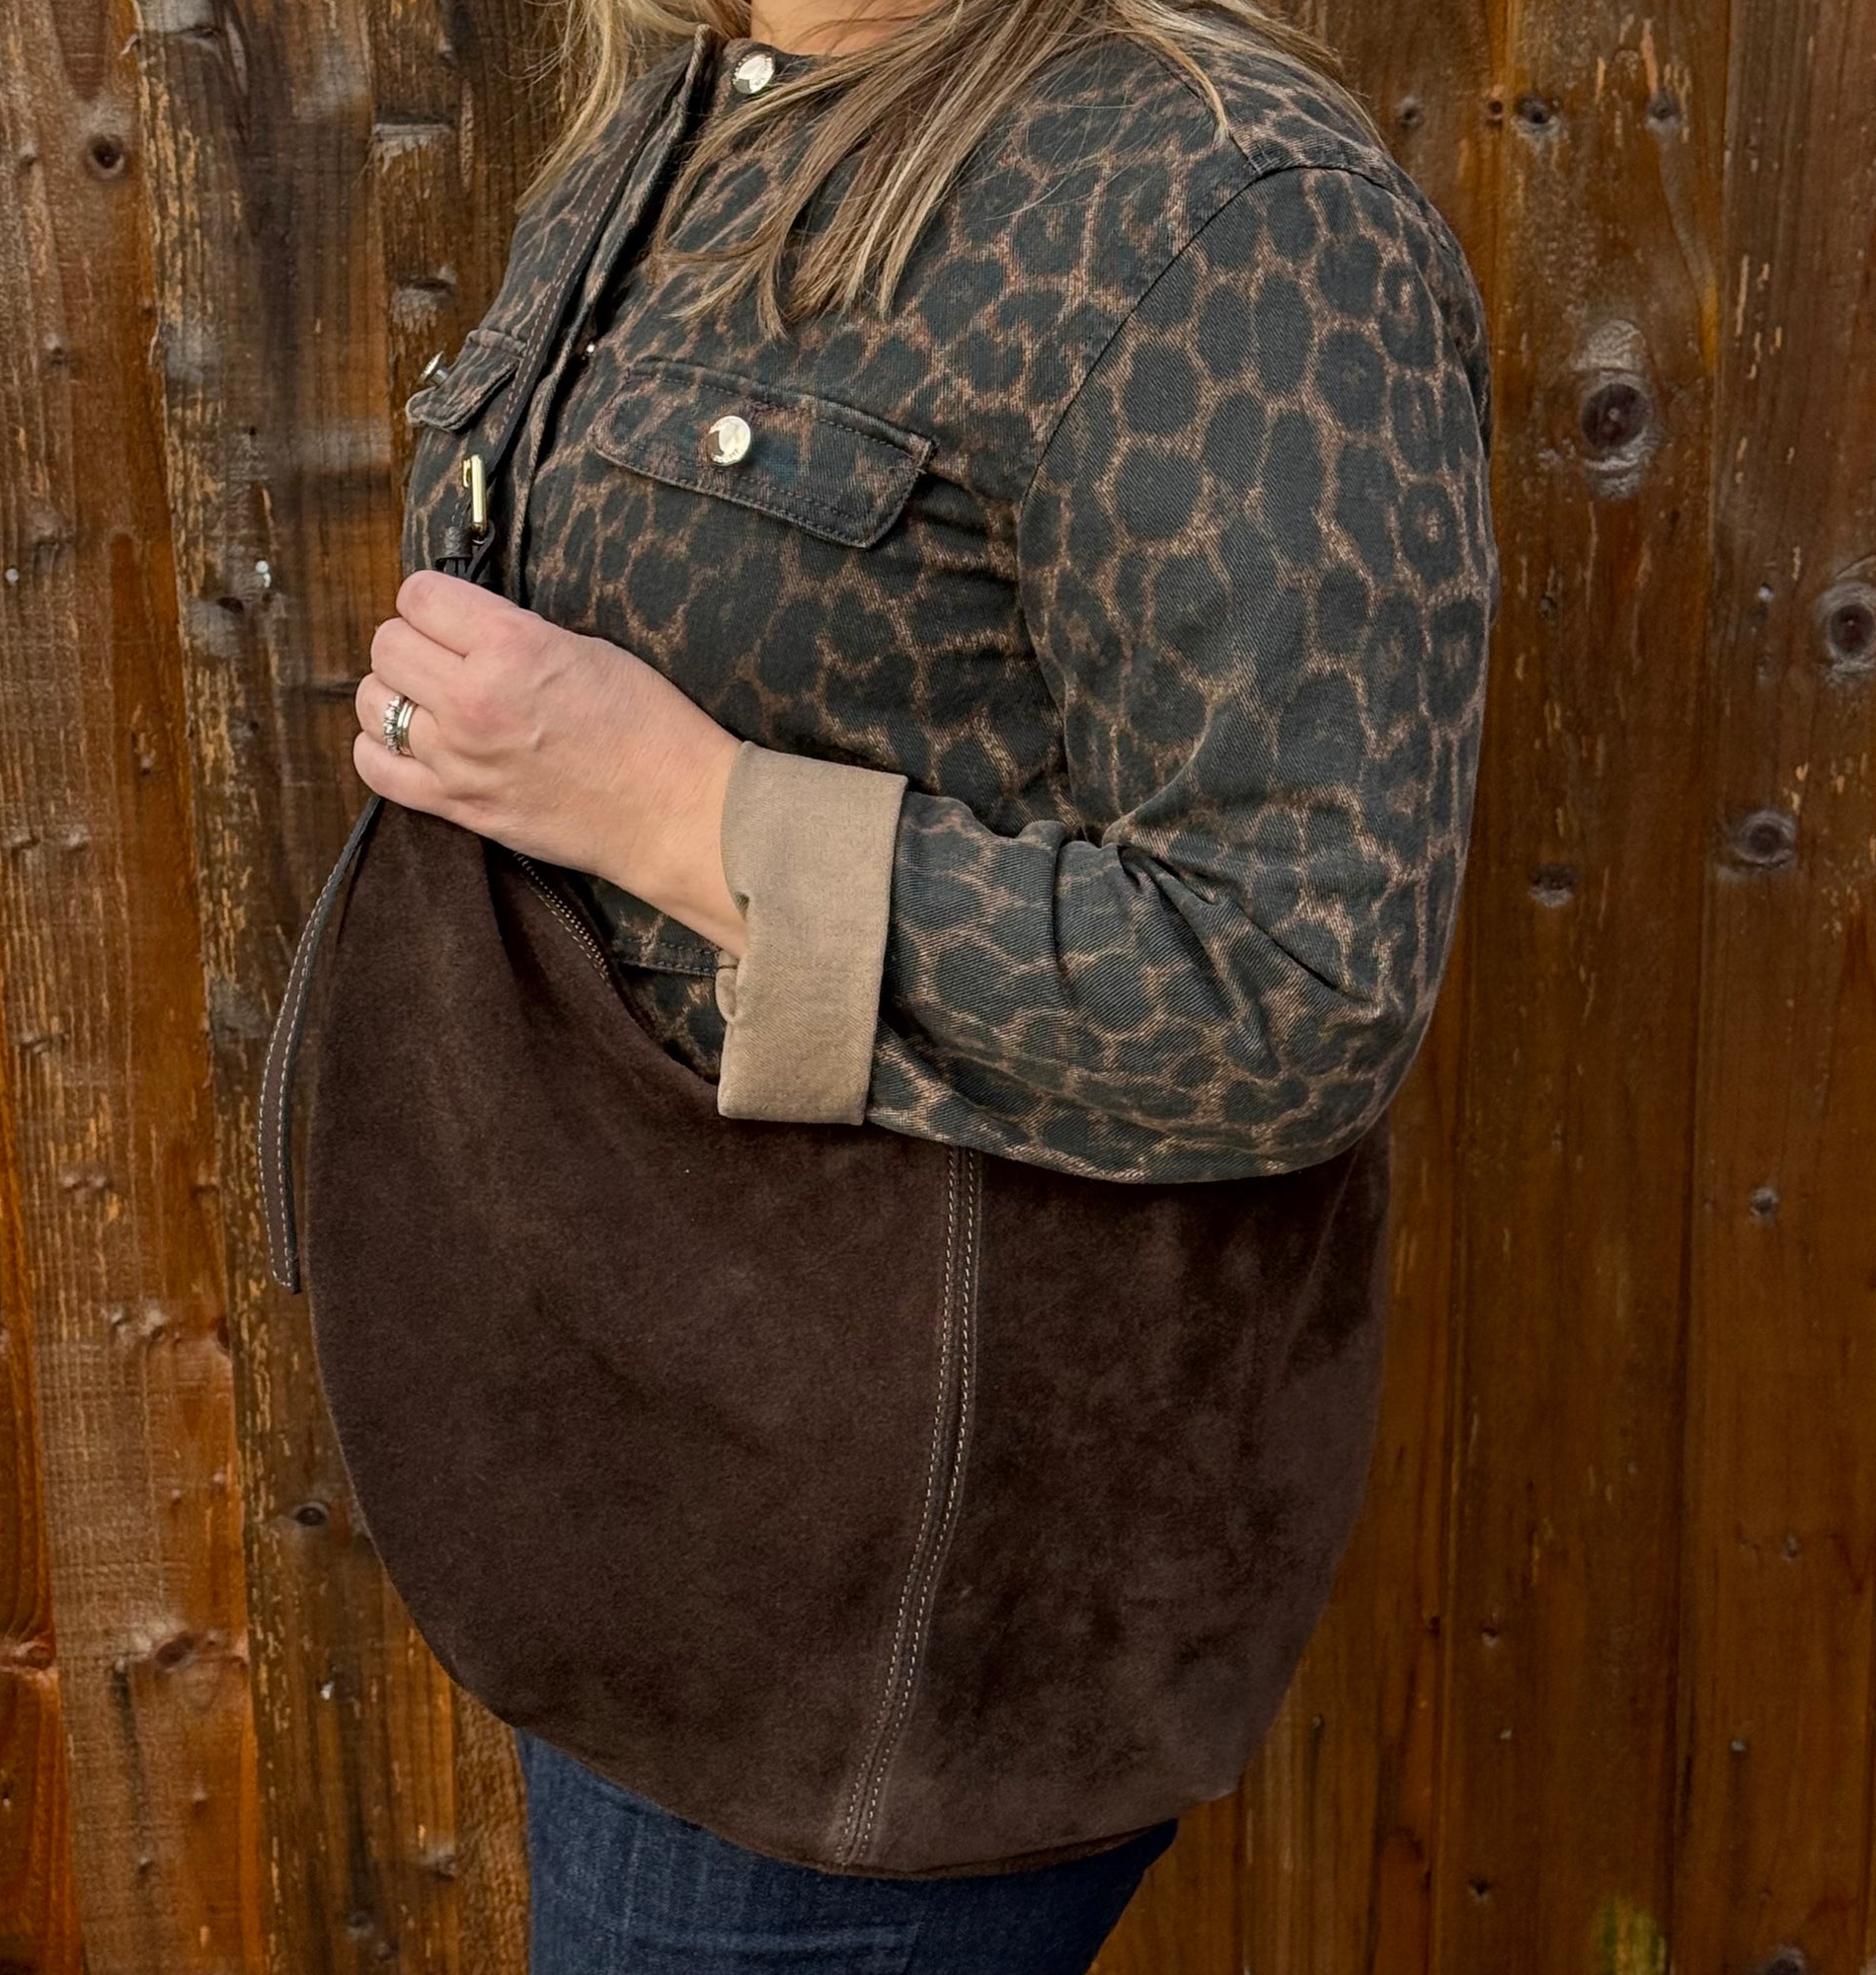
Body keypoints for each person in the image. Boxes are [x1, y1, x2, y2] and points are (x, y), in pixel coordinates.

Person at [334, 1, 1499, 1967]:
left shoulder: (1221, 208)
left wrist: (687, 813)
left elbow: (1293, 984)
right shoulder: (700, 106)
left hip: (886, 1602)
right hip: (670, 1475)